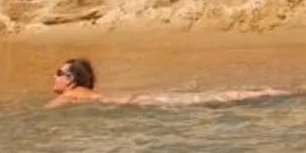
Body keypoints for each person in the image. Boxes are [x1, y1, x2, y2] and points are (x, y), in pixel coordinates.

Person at [50, 57, 284, 107]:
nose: (53, 76)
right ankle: (267, 92)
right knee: (210, 98)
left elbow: (48, 111)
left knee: (206, 100)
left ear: (70, 80)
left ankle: (265, 94)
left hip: (137, 102)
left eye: (57, 72)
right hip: (138, 99)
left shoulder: (69, 95)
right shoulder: (82, 94)